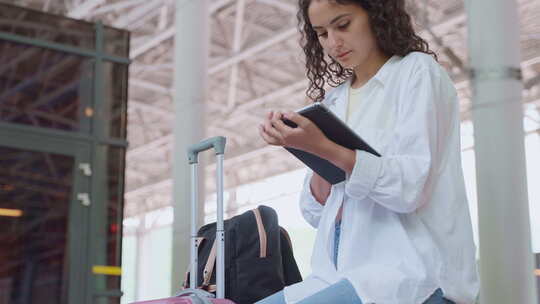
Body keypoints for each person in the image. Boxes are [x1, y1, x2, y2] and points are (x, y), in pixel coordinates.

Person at [257, 0, 479, 303]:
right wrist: (306, 147)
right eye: (321, 33)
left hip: (407, 274)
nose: (333, 43)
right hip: (336, 274)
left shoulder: (416, 72)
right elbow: (316, 213)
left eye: (343, 25)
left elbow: (408, 188)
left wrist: (324, 147)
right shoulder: (335, 100)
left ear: (376, 15)